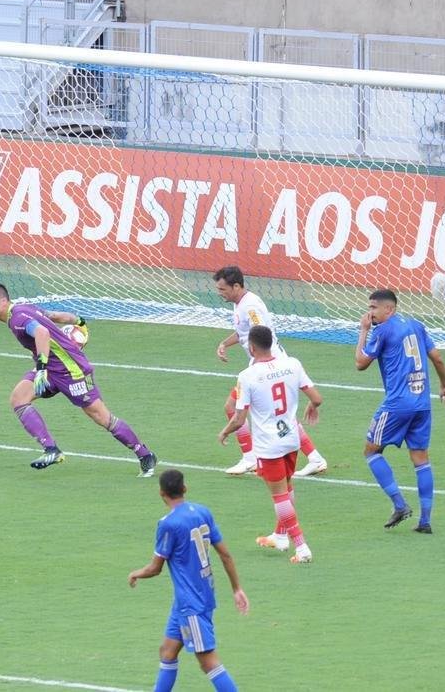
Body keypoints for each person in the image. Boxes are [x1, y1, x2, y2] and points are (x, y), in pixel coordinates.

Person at [0, 282, 157, 476]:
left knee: (101, 416)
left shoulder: (18, 319)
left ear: (3, 301)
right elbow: (55, 316)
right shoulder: (25, 309)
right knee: (18, 398)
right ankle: (51, 450)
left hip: (72, 371)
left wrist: (40, 368)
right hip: (52, 369)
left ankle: (145, 454)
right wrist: (79, 321)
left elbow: (42, 332)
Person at [128, 469, 249, 691]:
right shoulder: (202, 512)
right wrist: (237, 588)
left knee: (208, 661)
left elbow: (156, 568)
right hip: (192, 598)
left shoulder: (168, 524)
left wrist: (136, 573)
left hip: (191, 603)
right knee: (167, 650)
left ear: (161, 493)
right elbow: (225, 554)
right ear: (185, 488)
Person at [219, 325, 322, 564]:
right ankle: (281, 536)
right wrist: (312, 406)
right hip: (291, 440)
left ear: (252, 348)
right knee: (287, 487)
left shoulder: (247, 376)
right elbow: (317, 398)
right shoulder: (292, 364)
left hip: (269, 445)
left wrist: (224, 432)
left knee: (279, 496)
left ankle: (302, 546)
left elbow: (239, 417)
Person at [213, 266, 328, 478]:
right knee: (281, 416)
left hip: (267, 365)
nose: (220, 293)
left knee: (234, 407)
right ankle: (314, 458)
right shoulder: (242, 304)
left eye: (223, 289)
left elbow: (260, 333)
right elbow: (244, 332)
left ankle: (250, 458)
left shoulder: (250, 306)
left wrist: (258, 361)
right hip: (265, 362)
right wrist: (224, 343)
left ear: (236, 286)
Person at [355, 289, 445, 533]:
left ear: (390, 309)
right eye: (369, 308)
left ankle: (399, 505)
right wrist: (444, 385)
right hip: (422, 404)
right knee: (420, 458)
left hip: (397, 403)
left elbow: (360, 363)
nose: (370, 313)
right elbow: (437, 358)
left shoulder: (382, 331)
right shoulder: (416, 325)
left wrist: (363, 331)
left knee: (371, 451)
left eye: (374, 308)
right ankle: (425, 521)